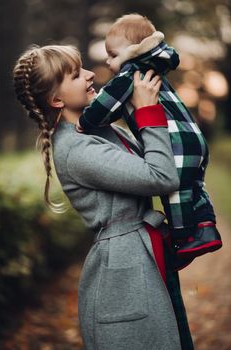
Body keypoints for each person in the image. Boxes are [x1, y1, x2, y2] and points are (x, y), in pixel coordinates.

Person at [13, 44, 195, 349]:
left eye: (82, 67)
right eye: (75, 75)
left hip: (141, 257)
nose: (88, 75)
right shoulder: (76, 150)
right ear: (56, 99)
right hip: (124, 277)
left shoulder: (98, 131)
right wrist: (147, 109)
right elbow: (160, 176)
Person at [77, 13, 222, 266]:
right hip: (193, 141)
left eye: (112, 55)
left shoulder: (130, 73)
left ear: (133, 51)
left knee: (174, 191)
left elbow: (105, 105)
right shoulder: (156, 68)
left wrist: (85, 121)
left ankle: (184, 238)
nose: (109, 61)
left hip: (174, 143)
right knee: (194, 185)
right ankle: (206, 226)